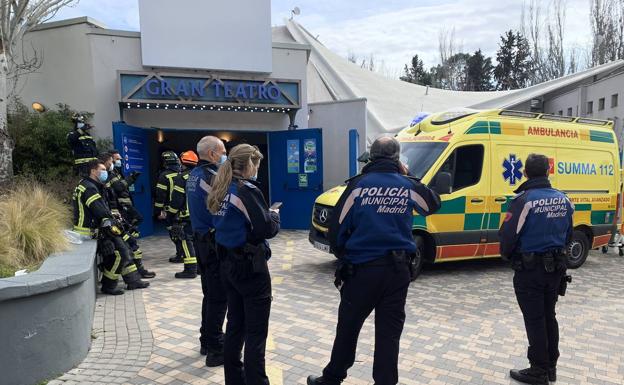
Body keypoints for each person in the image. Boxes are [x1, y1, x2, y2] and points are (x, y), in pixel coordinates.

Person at [307, 136, 441, 385]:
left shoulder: (358, 185)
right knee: (389, 334)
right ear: (397, 159)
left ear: (371, 157)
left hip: (362, 270)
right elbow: (432, 204)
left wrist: (346, 256)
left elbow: (336, 230)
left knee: (348, 327)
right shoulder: (407, 185)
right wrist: (409, 175)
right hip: (398, 271)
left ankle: (332, 378)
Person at [207, 144, 279, 385]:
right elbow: (265, 229)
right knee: (256, 333)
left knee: (235, 326)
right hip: (250, 269)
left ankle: (235, 380)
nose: (257, 170)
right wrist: (273, 217)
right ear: (249, 164)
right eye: (257, 165)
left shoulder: (221, 187)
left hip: (227, 264)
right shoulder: (246, 190)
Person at [500, 153, 574, 385]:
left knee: (535, 319)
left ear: (525, 173)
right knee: (549, 316)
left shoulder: (525, 200)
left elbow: (508, 237)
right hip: (556, 268)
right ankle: (551, 367)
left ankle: (538, 370)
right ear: (548, 171)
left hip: (530, 270)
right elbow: (568, 234)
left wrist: (510, 257)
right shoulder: (564, 200)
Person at [72, 159, 149, 295]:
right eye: (102, 170)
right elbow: (99, 210)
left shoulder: (90, 185)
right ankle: (109, 285)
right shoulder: (89, 187)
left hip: (99, 228)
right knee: (120, 253)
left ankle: (133, 280)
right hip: (91, 232)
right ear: (93, 171)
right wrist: (113, 223)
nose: (105, 172)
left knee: (126, 246)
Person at [186, 136, 228, 366]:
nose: (225, 155)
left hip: (201, 240)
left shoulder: (194, 174)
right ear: (212, 154)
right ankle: (215, 349)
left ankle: (206, 340)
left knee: (210, 294)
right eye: (223, 151)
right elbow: (222, 208)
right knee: (218, 297)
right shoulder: (212, 177)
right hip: (212, 242)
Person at [106, 150, 155, 279]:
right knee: (130, 242)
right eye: (116, 159)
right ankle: (137, 272)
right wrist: (131, 178)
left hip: (125, 210)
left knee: (132, 241)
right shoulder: (110, 175)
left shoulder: (116, 173)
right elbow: (118, 188)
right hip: (121, 210)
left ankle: (139, 271)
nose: (119, 161)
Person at [168, 150, 199, 279]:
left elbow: (177, 199)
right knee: (198, 242)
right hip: (200, 216)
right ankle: (199, 268)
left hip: (186, 216)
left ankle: (190, 269)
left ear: (183, 163)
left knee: (186, 241)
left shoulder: (181, 178)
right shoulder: (201, 176)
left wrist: (171, 213)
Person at [154, 151, 183, 263]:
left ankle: (180, 254)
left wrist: (157, 212)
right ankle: (185, 253)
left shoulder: (164, 176)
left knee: (174, 233)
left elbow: (160, 196)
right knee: (184, 233)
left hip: (170, 210)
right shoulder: (183, 173)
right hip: (184, 209)